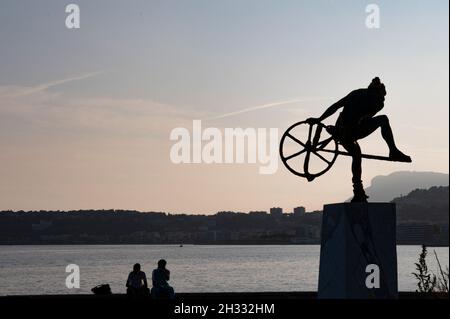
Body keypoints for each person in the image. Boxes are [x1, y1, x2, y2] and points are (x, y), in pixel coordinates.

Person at [308, 77, 411, 202]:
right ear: (378, 93)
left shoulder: (356, 93)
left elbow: (336, 106)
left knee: (356, 155)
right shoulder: (377, 102)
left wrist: (320, 120)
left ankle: (358, 190)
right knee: (383, 120)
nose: (383, 99)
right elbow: (361, 119)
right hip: (351, 131)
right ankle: (393, 151)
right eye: (383, 96)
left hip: (342, 131)